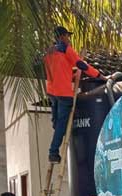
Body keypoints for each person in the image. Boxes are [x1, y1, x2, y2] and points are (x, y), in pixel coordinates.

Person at [44, 25, 104, 163]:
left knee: (57, 123)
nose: (68, 39)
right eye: (67, 36)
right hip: (64, 94)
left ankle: (57, 134)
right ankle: (53, 153)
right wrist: (99, 75)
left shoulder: (48, 53)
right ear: (61, 37)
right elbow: (81, 65)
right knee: (61, 125)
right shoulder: (66, 50)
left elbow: (56, 71)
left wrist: (70, 74)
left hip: (52, 92)